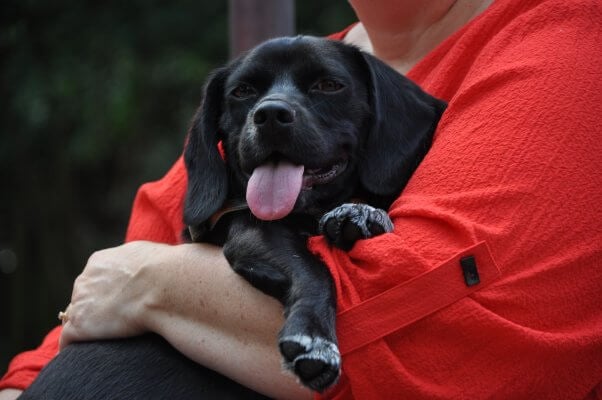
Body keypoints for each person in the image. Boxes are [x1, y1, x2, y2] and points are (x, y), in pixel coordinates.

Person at [2, 0, 601, 398]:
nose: (272, 106)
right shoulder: (259, 95)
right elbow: (85, 315)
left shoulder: (565, 47)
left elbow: (414, 331)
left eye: (325, 87)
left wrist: (153, 282)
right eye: (250, 99)